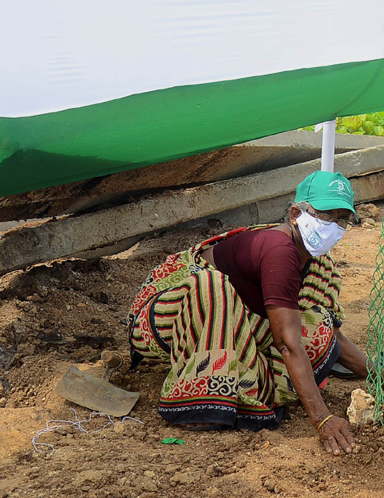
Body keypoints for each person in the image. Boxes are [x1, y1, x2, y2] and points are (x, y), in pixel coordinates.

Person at [128, 171, 368, 454]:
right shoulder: (279, 249)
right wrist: (321, 418)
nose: (334, 226)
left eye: (342, 219)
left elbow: (331, 336)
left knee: (319, 327)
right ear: (295, 214)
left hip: (239, 325)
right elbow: (287, 344)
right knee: (212, 286)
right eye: (326, 215)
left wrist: (382, 376)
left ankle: (246, 389)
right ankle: (201, 396)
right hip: (177, 314)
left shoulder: (315, 262)